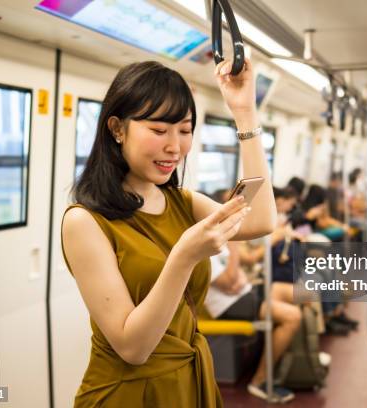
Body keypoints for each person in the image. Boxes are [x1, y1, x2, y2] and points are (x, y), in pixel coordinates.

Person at [61, 59, 276, 407]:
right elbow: (133, 348)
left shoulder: (181, 202)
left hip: (190, 381)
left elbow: (260, 220)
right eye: (159, 131)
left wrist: (245, 112)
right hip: (129, 392)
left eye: (185, 130)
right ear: (117, 128)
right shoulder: (84, 221)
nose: (175, 146)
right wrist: (184, 257)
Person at [205, 190, 300, 403]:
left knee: (298, 293)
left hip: (241, 295)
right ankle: (259, 381)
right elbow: (231, 279)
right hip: (230, 305)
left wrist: (235, 278)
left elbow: (236, 278)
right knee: (292, 315)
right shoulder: (203, 249)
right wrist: (234, 241)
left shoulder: (216, 241)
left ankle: (298, 362)